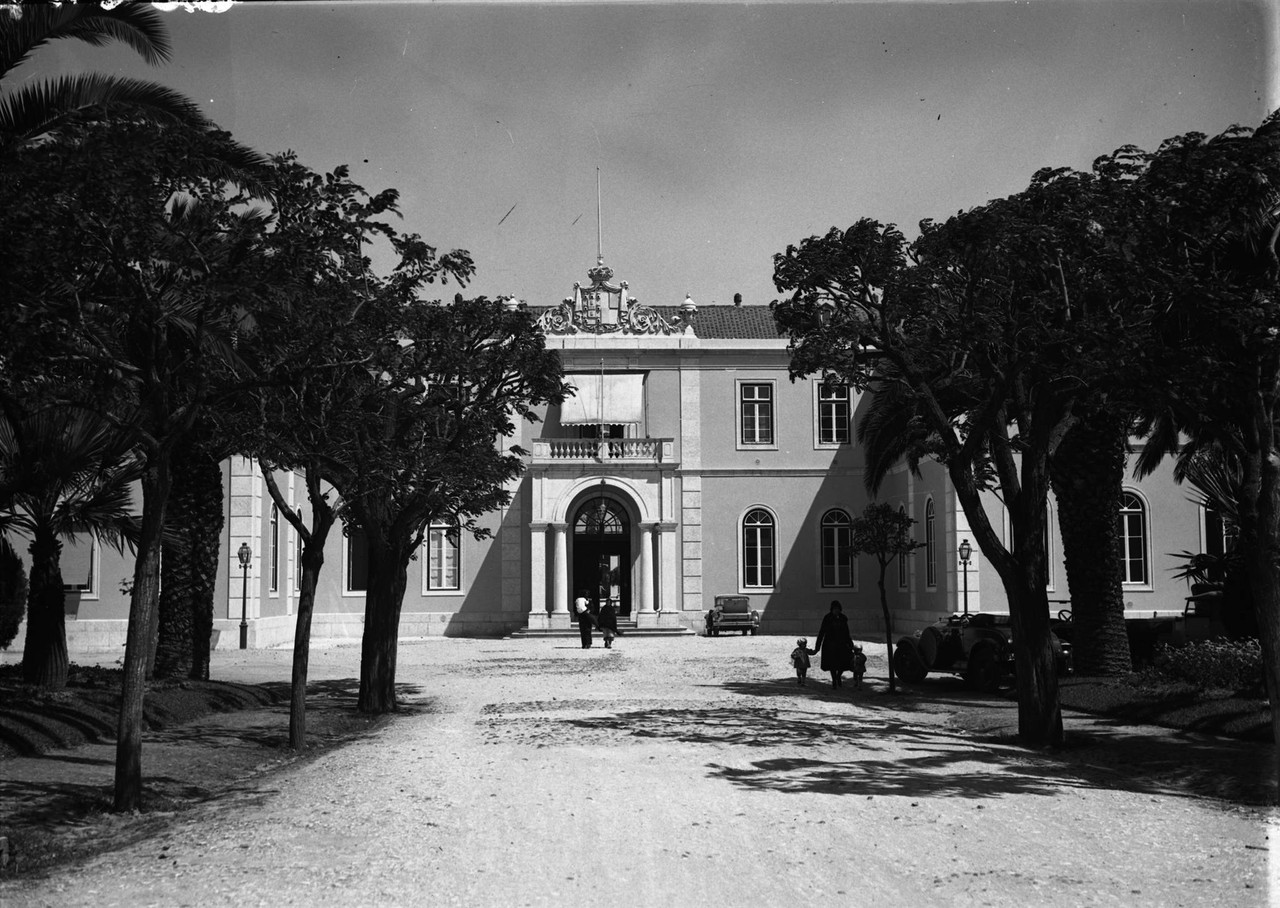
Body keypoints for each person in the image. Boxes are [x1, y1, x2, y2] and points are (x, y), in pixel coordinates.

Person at [812, 600, 854, 689]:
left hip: (842, 644)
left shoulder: (843, 618)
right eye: (835, 609)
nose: (836, 610)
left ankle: (838, 676)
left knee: (843, 663)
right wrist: (817, 646)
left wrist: (851, 644)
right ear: (832, 609)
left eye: (838, 609)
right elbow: (822, 632)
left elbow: (847, 632)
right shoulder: (827, 618)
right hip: (830, 645)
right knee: (832, 664)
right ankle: (834, 680)